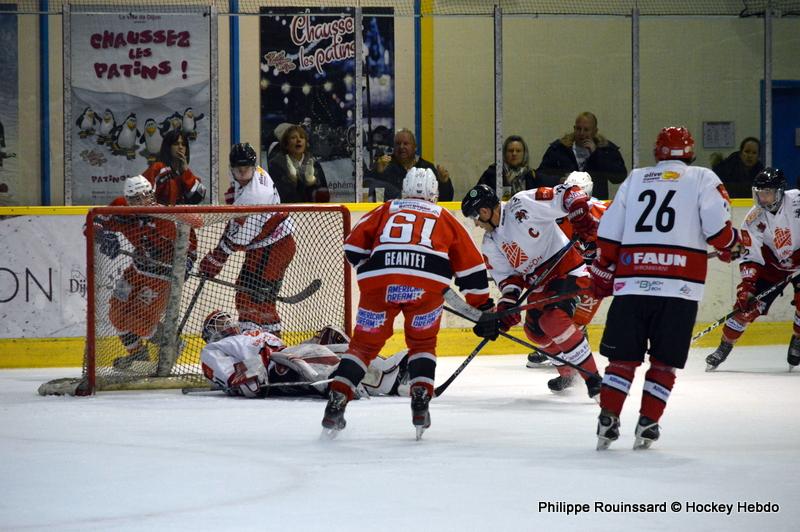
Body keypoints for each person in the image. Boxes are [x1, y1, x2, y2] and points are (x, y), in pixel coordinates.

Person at [589, 126, 742, 451]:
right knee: (663, 361)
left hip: (633, 285)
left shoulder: (636, 178)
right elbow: (719, 232)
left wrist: (604, 268)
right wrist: (733, 245)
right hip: (679, 290)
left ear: (657, 152)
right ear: (690, 153)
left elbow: (609, 234)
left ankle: (608, 417)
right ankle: (648, 421)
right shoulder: (703, 178)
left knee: (622, 360)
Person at [320, 167, 493, 439]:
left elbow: (352, 247)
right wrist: (482, 307)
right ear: (435, 193)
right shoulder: (444, 216)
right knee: (422, 344)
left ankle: (337, 401)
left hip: (379, 283)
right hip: (426, 285)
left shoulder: (386, 209)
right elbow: (471, 268)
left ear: (404, 190)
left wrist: (374, 272)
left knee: (363, 347)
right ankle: (420, 401)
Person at [461, 182, 601, 398]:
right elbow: (510, 280)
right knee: (535, 333)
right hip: (540, 285)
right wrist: (506, 309)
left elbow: (568, 193)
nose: (476, 224)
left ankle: (594, 380)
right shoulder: (490, 243)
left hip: (567, 270)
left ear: (485, 211)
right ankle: (568, 373)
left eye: (475, 217)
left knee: (552, 320)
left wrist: (580, 214)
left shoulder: (522, 204)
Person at [92, 175, 198, 370]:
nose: (142, 202)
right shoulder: (122, 210)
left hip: (161, 277)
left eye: (146, 196)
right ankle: (138, 355)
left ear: (152, 194)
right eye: (136, 199)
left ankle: (173, 343)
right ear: (128, 200)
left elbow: (190, 242)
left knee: (139, 321)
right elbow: (94, 220)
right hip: (136, 270)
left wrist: (187, 263)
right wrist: (102, 236)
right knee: (116, 315)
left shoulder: (165, 218)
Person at [705, 167, 800, 371]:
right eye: (759, 193)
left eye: (767, 193)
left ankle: (798, 338)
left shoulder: (797, 201)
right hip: (772, 266)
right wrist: (747, 286)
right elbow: (750, 256)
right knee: (745, 308)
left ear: (780, 192)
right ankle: (725, 345)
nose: (762, 198)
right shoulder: (753, 218)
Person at [199, 143, 296, 336]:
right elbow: (237, 227)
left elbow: (238, 240)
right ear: (232, 169)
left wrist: (215, 261)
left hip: (274, 248)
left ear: (254, 166)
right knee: (251, 294)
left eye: (246, 169)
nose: (243, 174)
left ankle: (264, 342)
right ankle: (262, 340)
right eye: (238, 170)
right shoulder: (255, 173)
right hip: (267, 245)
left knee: (253, 299)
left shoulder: (254, 196)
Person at [199, 312, 410, 398]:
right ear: (209, 334)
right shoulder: (212, 348)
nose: (226, 325)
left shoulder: (248, 333)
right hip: (274, 366)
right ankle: (338, 381)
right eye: (218, 324)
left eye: (226, 320)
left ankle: (389, 375)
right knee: (314, 354)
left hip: (286, 354)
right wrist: (246, 376)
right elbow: (228, 375)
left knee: (339, 342)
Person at [525, 171, 608, 368]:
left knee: (577, 320)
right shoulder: (558, 214)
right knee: (554, 315)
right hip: (569, 272)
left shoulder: (601, 211)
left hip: (594, 276)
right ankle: (560, 353)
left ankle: (574, 359)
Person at [535, 112, 627, 200]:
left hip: (594, 203)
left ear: (595, 131)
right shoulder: (560, 149)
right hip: (564, 202)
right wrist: (559, 180)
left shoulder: (605, 149)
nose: (582, 133)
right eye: (578, 129)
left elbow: (619, 177)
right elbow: (540, 176)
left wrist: (597, 153)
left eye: (586, 130)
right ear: (574, 128)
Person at [368, 129, 454, 201]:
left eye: (405, 143)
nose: (401, 147)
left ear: (415, 147)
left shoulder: (427, 168)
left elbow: (446, 199)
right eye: (398, 144)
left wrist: (444, 183)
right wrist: (378, 172)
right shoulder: (385, 164)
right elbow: (367, 189)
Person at [477, 135, 555, 200]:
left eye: (518, 151)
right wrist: (506, 183)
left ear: (524, 154)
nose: (514, 154)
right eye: (510, 151)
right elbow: (479, 195)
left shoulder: (531, 175)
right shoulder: (494, 173)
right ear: (504, 153)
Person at [267, 124, 330, 203]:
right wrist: (293, 180)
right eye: (293, 137)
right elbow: (280, 199)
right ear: (285, 144)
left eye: (302, 137)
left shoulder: (314, 164)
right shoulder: (276, 165)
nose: (299, 140)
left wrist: (312, 183)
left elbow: (324, 199)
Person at [141, 129, 206, 205]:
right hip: (158, 212)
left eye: (183, 144)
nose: (180, 147)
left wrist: (186, 172)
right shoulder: (158, 169)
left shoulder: (185, 174)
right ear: (168, 147)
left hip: (178, 213)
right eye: (176, 144)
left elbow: (198, 198)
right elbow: (142, 198)